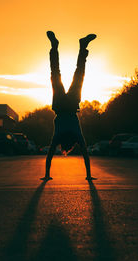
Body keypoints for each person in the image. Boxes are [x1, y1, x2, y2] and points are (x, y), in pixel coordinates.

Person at [41, 31, 97, 181]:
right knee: (56, 73)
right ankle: (56, 46)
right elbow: (50, 155)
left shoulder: (74, 136)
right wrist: (46, 174)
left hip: (71, 104)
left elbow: (85, 154)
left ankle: (81, 46)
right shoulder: (59, 137)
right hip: (61, 105)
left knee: (79, 74)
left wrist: (89, 175)